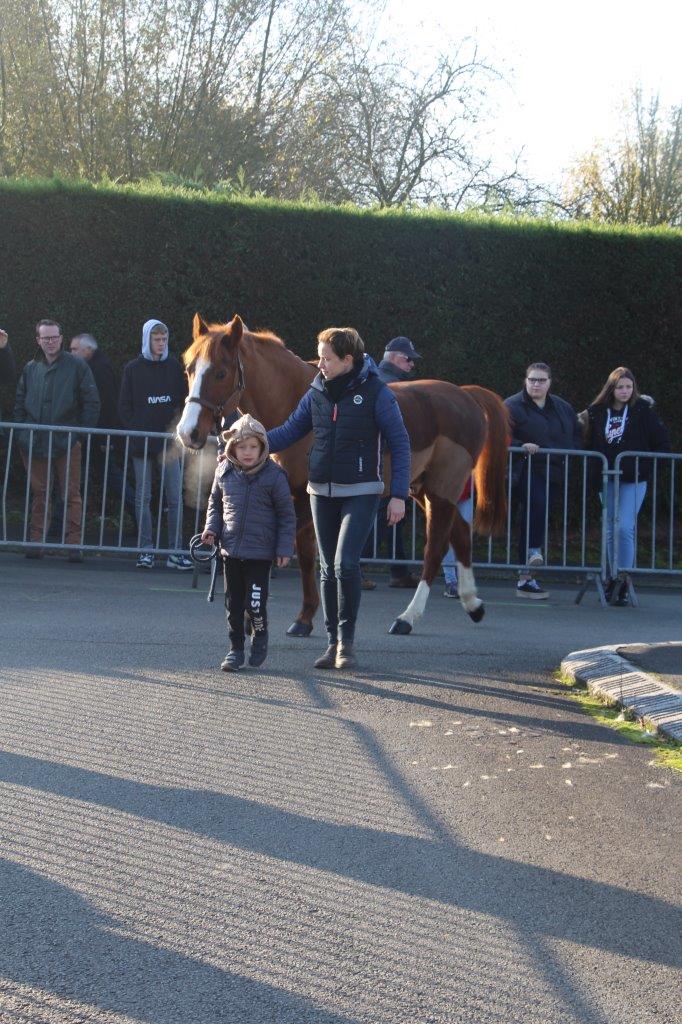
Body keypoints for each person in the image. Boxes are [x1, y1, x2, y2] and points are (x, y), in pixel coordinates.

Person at [266, 326, 411, 671]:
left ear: (348, 360)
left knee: (346, 564)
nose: (320, 365)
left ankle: (348, 642)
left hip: (361, 491)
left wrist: (399, 495)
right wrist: (248, 444)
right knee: (327, 569)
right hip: (321, 491)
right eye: (319, 357)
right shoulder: (315, 391)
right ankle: (332, 644)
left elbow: (400, 444)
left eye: (326, 359)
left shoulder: (377, 393)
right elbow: (289, 431)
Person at [201, 414, 296, 671]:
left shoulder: (275, 476)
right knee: (233, 604)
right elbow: (215, 506)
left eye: (253, 447)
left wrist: (284, 548)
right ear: (232, 447)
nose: (247, 452)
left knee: (255, 604)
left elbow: (287, 515)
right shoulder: (224, 471)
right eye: (242, 447)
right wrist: (211, 529)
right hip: (230, 551)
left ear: (263, 447)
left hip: (260, 554)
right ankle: (235, 649)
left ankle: (260, 636)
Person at [13, 319, 100, 560]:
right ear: (38, 340)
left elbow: (92, 402)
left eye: (54, 337)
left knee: (71, 494)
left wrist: (79, 435)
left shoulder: (77, 367)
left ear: (61, 338)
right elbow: (20, 402)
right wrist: (22, 433)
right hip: (34, 441)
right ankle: (35, 542)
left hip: (67, 441)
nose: (50, 342)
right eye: (45, 338)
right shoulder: (30, 368)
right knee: (39, 493)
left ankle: (74, 544)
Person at [583, 367, 669, 605]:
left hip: (634, 480)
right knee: (610, 528)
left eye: (628, 387)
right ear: (612, 388)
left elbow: (662, 443)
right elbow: (586, 439)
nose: (624, 391)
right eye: (620, 387)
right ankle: (612, 577)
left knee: (624, 527)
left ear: (634, 389)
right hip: (607, 479)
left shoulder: (643, 411)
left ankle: (624, 576)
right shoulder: (597, 412)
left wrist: (646, 468)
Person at [118, 318, 192, 570]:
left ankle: (174, 551)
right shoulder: (132, 369)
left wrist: (177, 429)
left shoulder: (173, 367)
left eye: (163, 339)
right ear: (147, 339)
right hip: (142, 445)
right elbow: (124, 407)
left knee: (174, 497)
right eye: (156, 339)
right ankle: (145, 550)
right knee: (143, 497)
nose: (161, 344)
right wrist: (137, 430)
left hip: (170, 445)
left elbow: (185, 402)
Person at [505, 362, 582, 599]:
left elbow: (576, 436)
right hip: (522, 469)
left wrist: (568, 453)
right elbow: (498, 435)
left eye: (541, 380)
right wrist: (520, 446)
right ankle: (530, 560)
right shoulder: (511, 406)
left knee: (538, 513)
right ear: (525, 381)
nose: (536, 384)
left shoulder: (562, 407)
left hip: (555, 471)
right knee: (534, 506)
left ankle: (527, 574)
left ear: (550, 382)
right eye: (532, 380)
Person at [363, 335, 422, 590]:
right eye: (409, 359)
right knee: (384, 515)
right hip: (383, 460)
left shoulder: (381, 381)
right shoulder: (389, 385)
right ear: (396, 357)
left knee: (394, 516)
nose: (412, 365)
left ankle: (399, 571)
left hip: (383, 459)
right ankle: (358, 566)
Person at [70, 333, 135, 514]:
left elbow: (107, 405)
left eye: (75, 349)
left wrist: (106, 439)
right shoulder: (94, 366)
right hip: (96, 435)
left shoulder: (98, 369)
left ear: (88, 350)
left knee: (107, 477)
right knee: (101, 476)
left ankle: (140, 516)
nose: (71, 353)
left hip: (99, 437)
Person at [441, 478, 473, 597]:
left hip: (465, 490)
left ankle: (462, 580)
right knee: (449, 536)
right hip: (444, 490)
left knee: (464, 537)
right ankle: (451, 581)